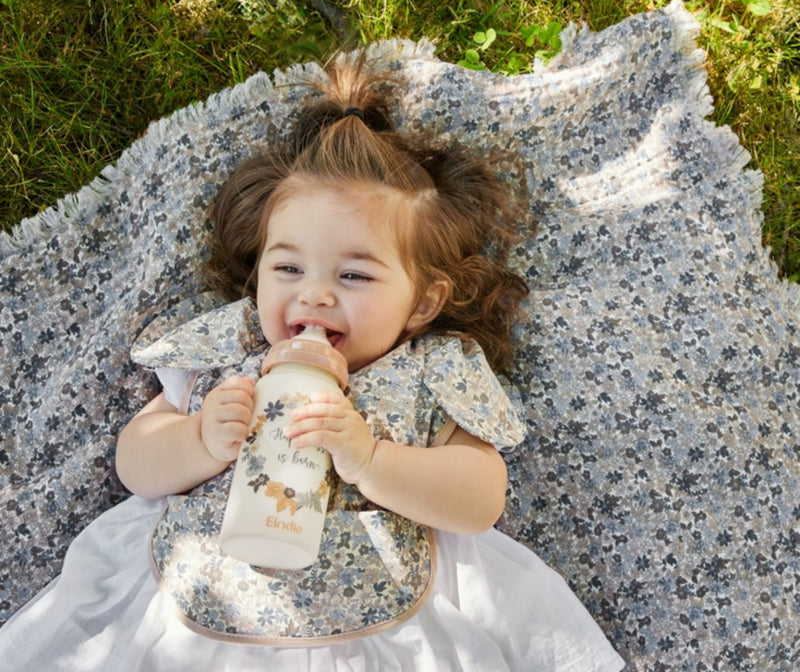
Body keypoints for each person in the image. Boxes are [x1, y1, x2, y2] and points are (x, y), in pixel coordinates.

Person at [0, 54, 625, 671]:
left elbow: (481, 497)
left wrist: (372, 459)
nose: (315, 294)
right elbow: (135, 463)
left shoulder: (429, 372)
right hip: (200, 601)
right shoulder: (232, 351)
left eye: (353, 274)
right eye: (289, 268)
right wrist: (197, 438)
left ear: (423, 302)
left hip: (384, 615)